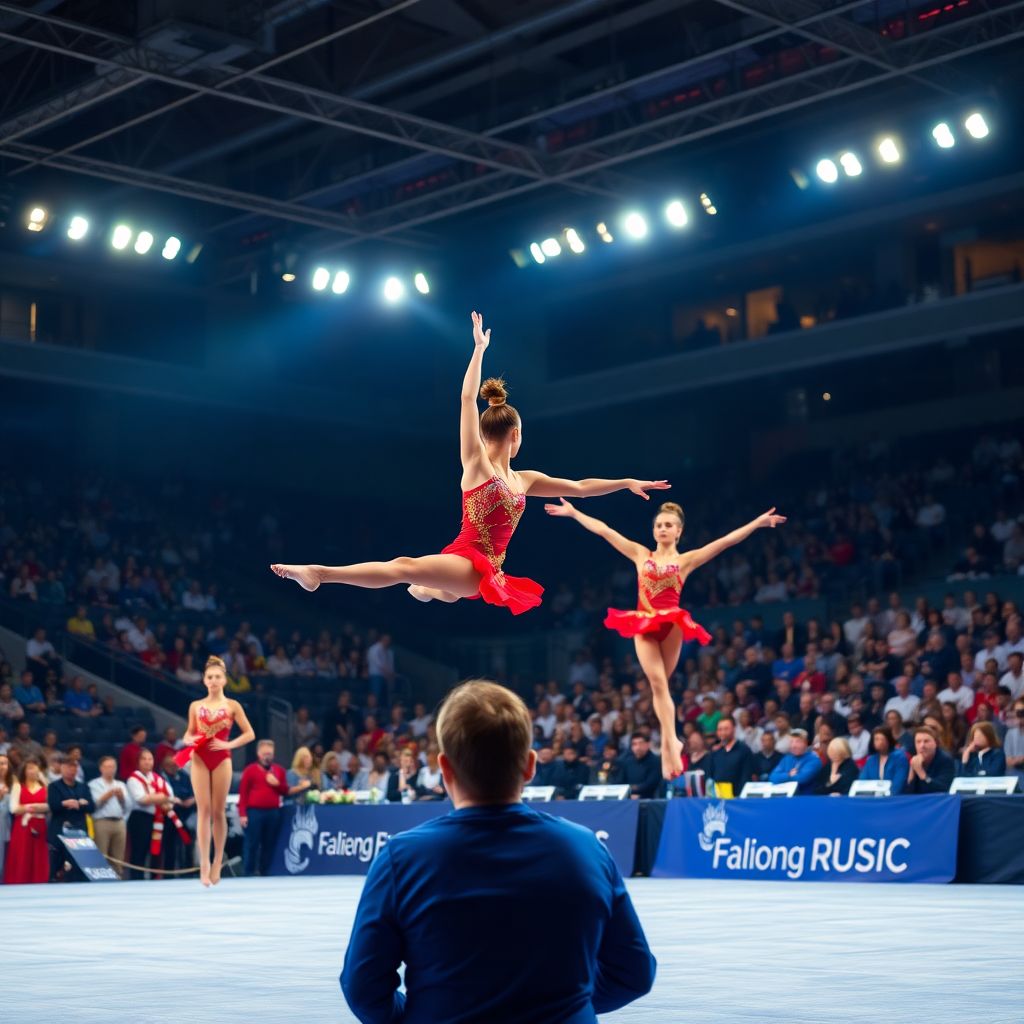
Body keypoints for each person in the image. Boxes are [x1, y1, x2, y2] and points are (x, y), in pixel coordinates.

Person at [272, 311, 667, 614]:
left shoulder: (525, 479)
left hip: (486, 569)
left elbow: (579, 488)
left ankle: (426, 590)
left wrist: (625, 482)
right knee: (406, 566)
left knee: (439, 587)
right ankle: (320, 574)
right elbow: (466, 400)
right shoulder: (476, 463)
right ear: (515, 435)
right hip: (468, 560)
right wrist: (478, 350)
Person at [340, 680, 655, 1023]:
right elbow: (633, 973)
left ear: (445, 768)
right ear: (530, 765)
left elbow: (363, 988)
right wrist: (571, 1002)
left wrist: (416, 1012)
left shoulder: (401, 859)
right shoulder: (587, 850)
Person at [546, 498, 784, 777]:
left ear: (678, 531)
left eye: (668, 525)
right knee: (658, 683)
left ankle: (669, 744)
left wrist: (757, 523)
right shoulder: (640, 554)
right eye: (658, 525)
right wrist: (575, 513)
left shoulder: (685, 561)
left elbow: (725, 542)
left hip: (671, 624)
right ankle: (670, 741)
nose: (662, 529)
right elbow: (604, 530)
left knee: (663, 687)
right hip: (643, 623)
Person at [176, 656, 255, 886]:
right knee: (204, 810)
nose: (213, 680)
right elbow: (188, 732)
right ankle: (204, 863)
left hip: (222, 758)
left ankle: (218, 860)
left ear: (224, 680)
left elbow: (250, 733)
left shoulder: (232, 705)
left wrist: (228, 744)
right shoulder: (195, 706)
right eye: (209, 677)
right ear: (204, 680)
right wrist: (189, 739)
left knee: (218, 812)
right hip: (199, 758)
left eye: (217, 677)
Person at [239, 740, 289, 877]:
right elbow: (243, 794)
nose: (268, 757)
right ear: (259, 754)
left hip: (273, 812)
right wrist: (242, 814)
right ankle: (248, 872)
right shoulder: (250, 770)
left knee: (269, 843)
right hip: (254, 812)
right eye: (265, 754)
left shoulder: (279, 770)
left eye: (270, 754)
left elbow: (285, 791)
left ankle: (265, 871)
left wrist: (277, 784)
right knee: (252, 843)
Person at [46, 754, 96, 880]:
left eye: (74, 767)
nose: (72, 770)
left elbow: (92, 807)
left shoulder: (83, 786)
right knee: (56, 865)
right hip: (59, 831)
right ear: (62, 768)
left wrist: (79, 805)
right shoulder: (54, 786)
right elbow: (53, 806)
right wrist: (65, 803)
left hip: (79, 831)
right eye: (69, 767)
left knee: (79, 867)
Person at [3, 759, 50, 884]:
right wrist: (33, 807)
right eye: (29, 768)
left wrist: (33, 807)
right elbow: (14, 809)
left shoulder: (45, 787)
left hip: (40, 826)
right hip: (22, 827)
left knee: (39, 855)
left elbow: (50, 805)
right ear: (24, 770)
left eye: (35, 768)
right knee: (22, 854)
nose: (32, 771)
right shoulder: (18, 786)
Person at [89, 755, 129, 878]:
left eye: (112, 767)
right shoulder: (94, 784)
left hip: (119, 822)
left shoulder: (121, 784)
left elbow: (128, 806)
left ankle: (118, 877)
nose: (110, 769)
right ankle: (101, 879)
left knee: (118, 857)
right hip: (102, 822)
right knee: (102, 854)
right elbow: (93, 805)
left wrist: (121, 798)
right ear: (101, 768)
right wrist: (107, 795)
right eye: (107, 766)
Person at [706, 717, 752, 796]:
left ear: (734, 729)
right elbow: (710, 776)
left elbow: (746, 777)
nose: (723, 732)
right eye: (720, 729)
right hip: (718, 798)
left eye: (726, 729)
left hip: (737, 797)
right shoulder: (715, 752)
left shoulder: (744, 750)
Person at [768, 729, 822, 794]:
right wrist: (788, 775)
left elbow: (802, 779)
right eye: (791, 742)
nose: (794, 745)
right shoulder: (786, 759)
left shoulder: (814, 760)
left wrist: (783, 777)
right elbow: (773, 777)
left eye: (798, 742)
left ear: (805, 743)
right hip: (786, 796)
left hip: (806, 797)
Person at [905, 727, 957, 794]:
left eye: (926, 741)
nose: (922, 746)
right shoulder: (911, 758)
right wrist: (912, 770)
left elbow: (943, 789)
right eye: (918, 742)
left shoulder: (945, 760)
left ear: (936, 743)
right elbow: (907, 793)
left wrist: (921, 773)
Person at [860, 726, 910, 795]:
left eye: (882, 739)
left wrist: (887, 797)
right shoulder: (871, 760)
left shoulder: (899, 757)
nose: (880, 742)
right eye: (876, 739)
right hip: (873, 797)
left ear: (888, 740)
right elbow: (863, 781)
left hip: (895, 798)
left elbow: (899, 783)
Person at [620, 732, 662, 799]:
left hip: (649, 798)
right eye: (634, 744)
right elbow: (620, 781)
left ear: (648, 744)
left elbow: (651, 783)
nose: (637, 747)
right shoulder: (626, 761)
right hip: (627, 796)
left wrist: (635, 793)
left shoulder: (655, 761)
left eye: (641, 743)